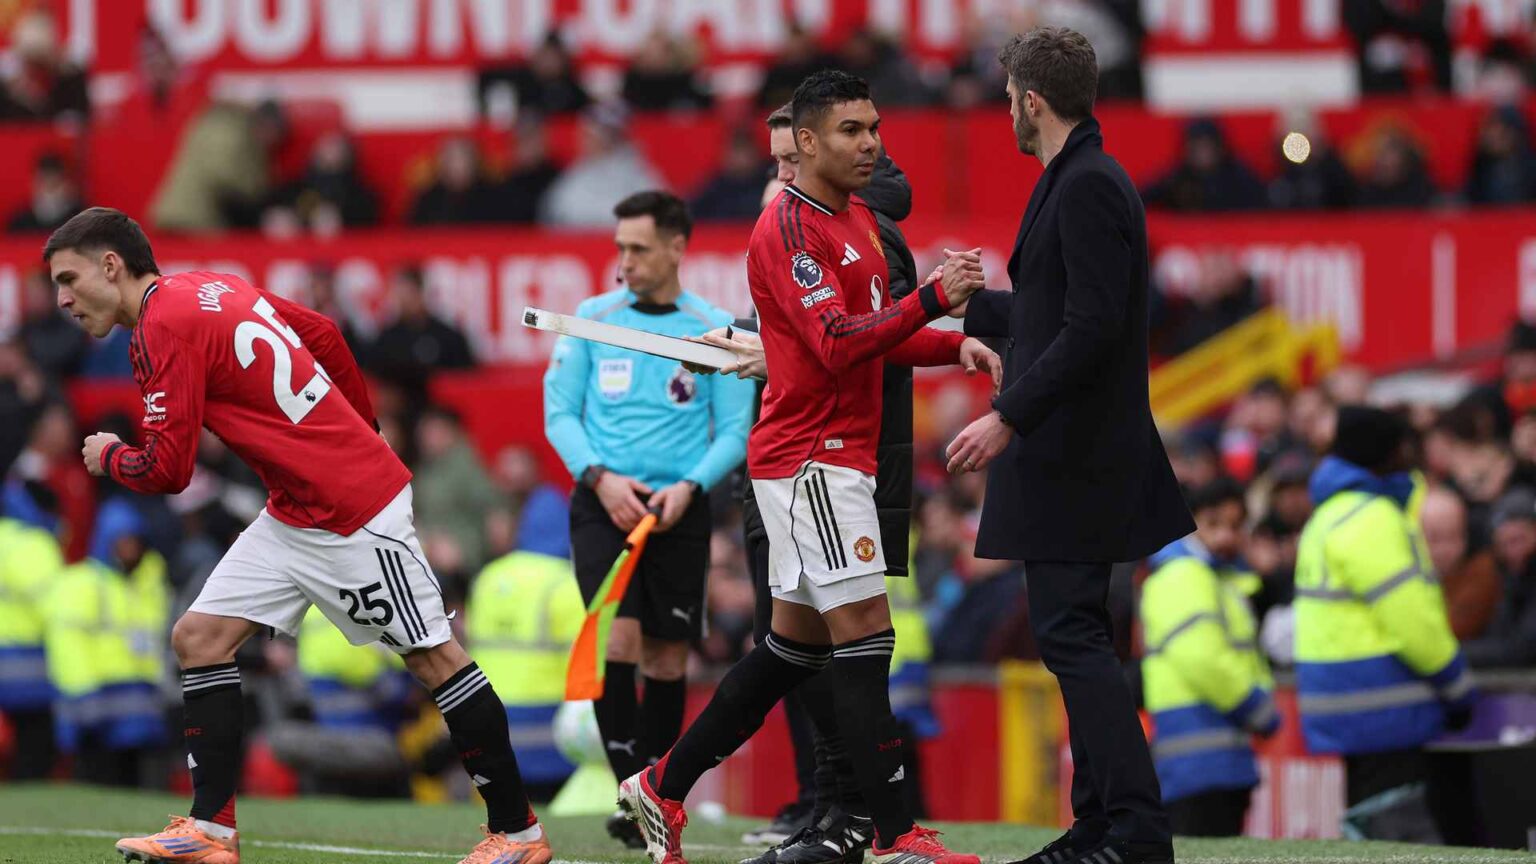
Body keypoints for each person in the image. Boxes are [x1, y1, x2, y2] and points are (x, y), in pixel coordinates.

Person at [44, 207, 551, 864]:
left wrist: (110, 455)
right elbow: (324, 333)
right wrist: (361, 426)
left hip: (350, 510)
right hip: (297, 508)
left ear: (110, 266)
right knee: (198, 637)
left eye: (68, 278)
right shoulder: (214, 286)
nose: (61, 298)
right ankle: (210, 833)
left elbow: (168, 470)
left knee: (436, 660)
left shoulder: (160, 326)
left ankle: (519, 835)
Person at [618, 70, 991, 864]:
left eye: (875, 126)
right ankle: (895, 837)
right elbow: (834, 344)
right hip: (811, 462)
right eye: (853, 131)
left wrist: (950, 343)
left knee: (794, 652)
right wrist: (932, 300)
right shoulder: (786, 229)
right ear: (810, 142)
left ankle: (662, 785)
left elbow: (873, 333)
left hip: (833, 459)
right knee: (866, 639)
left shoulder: (856, 218)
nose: (872, 144)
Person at [943, 28, 1193, 864]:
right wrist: (962, 310)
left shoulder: (1084, 184)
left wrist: (1008, 413)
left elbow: (1092, 329)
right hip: (1077, 456)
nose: (1006, 107)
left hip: (1075, 458)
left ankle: (1136, 831)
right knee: (1075, 636)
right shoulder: (1078, 175)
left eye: (1010, 93)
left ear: (1031, 99)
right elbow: (1058, 318)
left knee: (1072, 638)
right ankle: (1099, 827)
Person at [542, 191, 754, 848]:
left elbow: (737, 429)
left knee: (667, 658)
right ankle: (632, 795)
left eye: (637, 248)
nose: (624, 262)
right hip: (605, 506)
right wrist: (600, 479)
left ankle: (656, 791)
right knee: (619, 642)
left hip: (678, 510)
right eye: (620, 249)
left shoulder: (713, 326)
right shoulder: (591, 317)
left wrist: (691, 487)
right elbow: (560, 416)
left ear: (675, 248)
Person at [1294, 406, 1475, 842]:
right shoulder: (1372, 519)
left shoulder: (1327, 516)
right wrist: (1456, 684)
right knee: (1400, 837)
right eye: (1404, 446)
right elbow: (1411, 622)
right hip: (1383, 707)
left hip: (1346, 702)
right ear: (1388, 452)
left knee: (1371, 833)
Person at [1141, 478, 1278, 837]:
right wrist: (1256, 706)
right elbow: (1202, 657)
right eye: (1214, 523)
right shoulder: (1185, 575)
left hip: (1209, 758)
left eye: (1235, 525)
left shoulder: (1209, 577)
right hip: (1200, 761)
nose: (1226, 537)